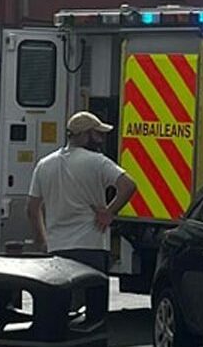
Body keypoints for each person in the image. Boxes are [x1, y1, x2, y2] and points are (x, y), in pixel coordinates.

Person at [25, 111, 137, 273]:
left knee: (61, 298)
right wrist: (109, 212)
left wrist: (43, 241)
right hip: (91, 247)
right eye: (97, 134)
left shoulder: (44, 165)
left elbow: (32, 209)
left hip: (57, 248)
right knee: (92, 297)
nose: (101, 139)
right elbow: (129, 185)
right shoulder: (98, 161)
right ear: (84, 135)